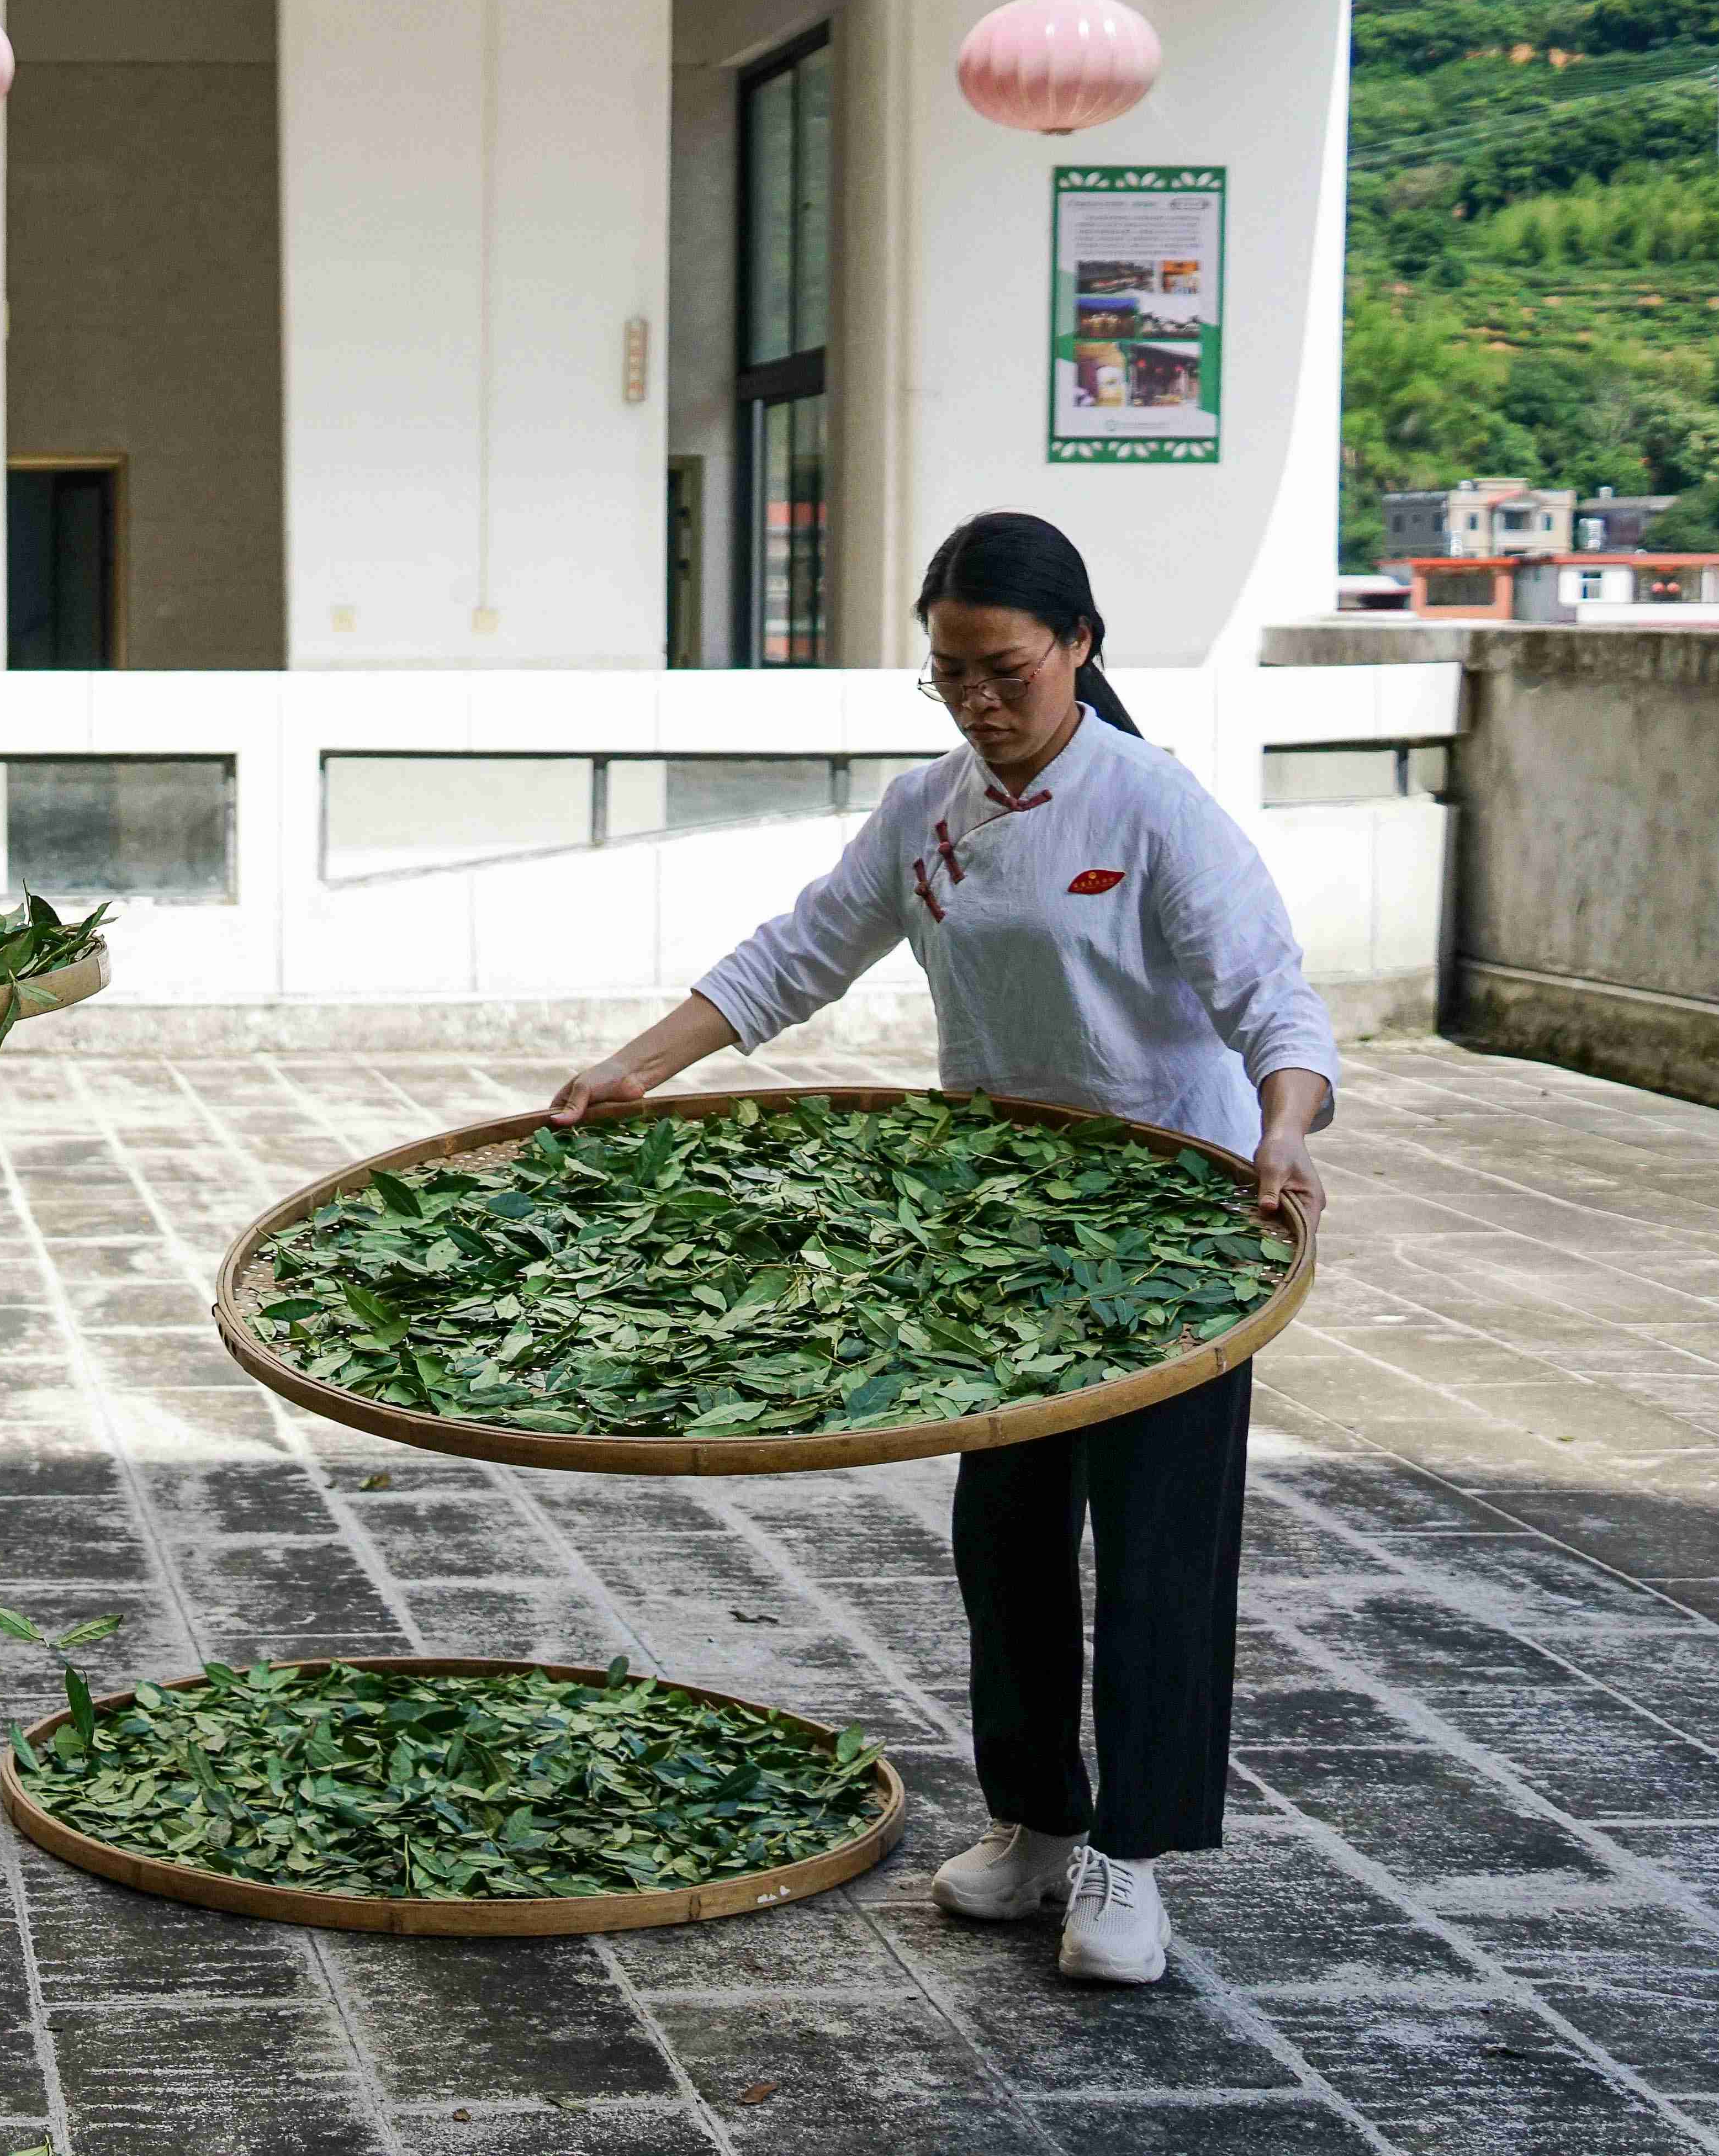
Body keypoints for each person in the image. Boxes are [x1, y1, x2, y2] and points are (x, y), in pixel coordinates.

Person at [544, 510, 1332, 1989]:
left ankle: (1132, 1858)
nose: (980, 703)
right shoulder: (930, 811)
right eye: (950, 676)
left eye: (1007, 672)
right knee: (1010, 1537)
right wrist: (640, 1067)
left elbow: (1274, 1002)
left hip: (1177, 1229)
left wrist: (1287, 1133)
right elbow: (799, 951)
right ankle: (1037, 1820)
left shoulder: (1154, 809)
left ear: (1082, 649)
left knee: (1155, 1553)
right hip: (1003, 1227)